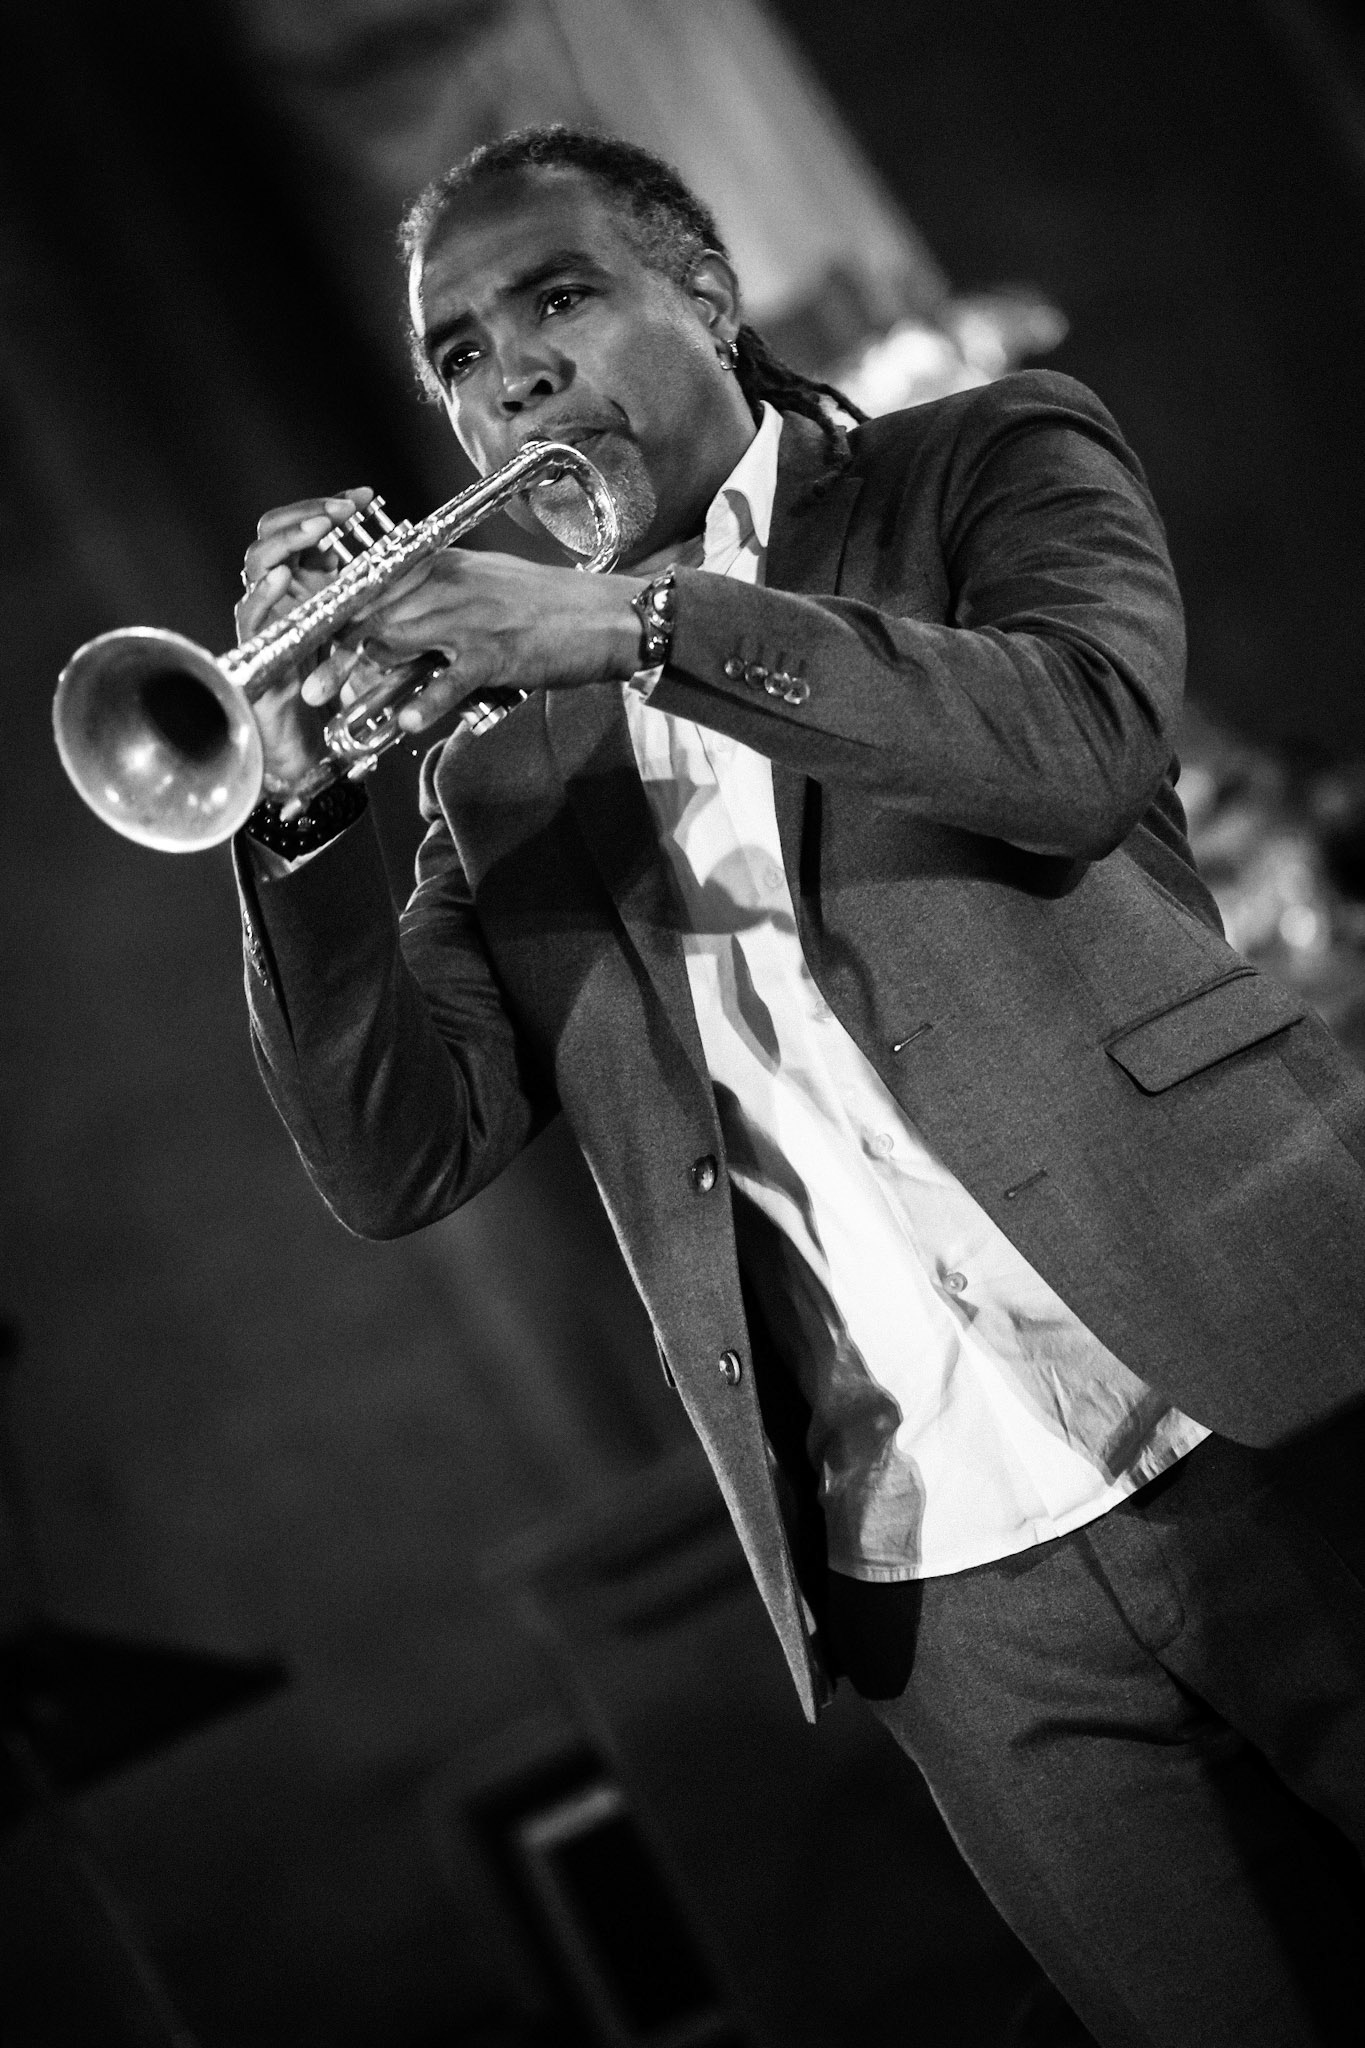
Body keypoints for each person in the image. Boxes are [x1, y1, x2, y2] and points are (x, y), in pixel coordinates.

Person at [232, 127, 1365, 2047]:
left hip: (1268, 1407)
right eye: (453, 353)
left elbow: (1074, 746)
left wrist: (638, 629)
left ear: (710, 296)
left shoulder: (975, 463)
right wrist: (302, 816)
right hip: (942, 1594)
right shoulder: (500, 771)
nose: (502, 370)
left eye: (559, 297)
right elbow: (396, 1154)